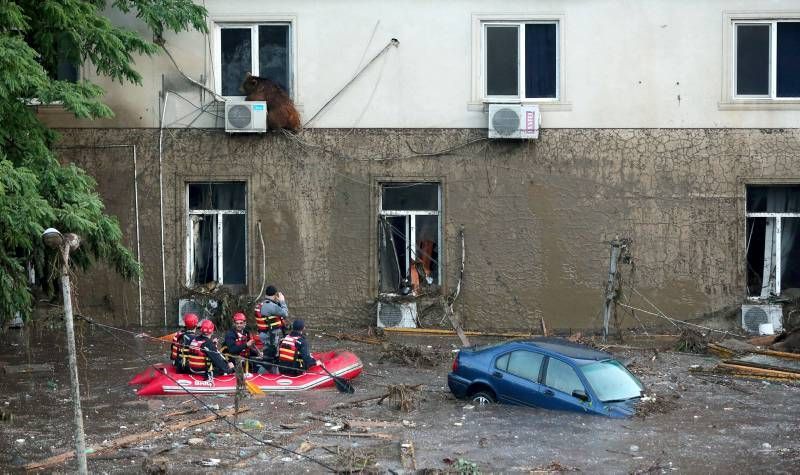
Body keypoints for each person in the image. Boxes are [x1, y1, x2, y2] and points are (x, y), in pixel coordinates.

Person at [257, 286, 289, 367]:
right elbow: (285, 313)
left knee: (269, 356)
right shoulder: (271, 306)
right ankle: (266, 374)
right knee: (271, 360)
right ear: (275, 295)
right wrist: (282, 301)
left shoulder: (261, 305)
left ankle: (270, 371)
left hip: (264, 335)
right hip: (271, 337)